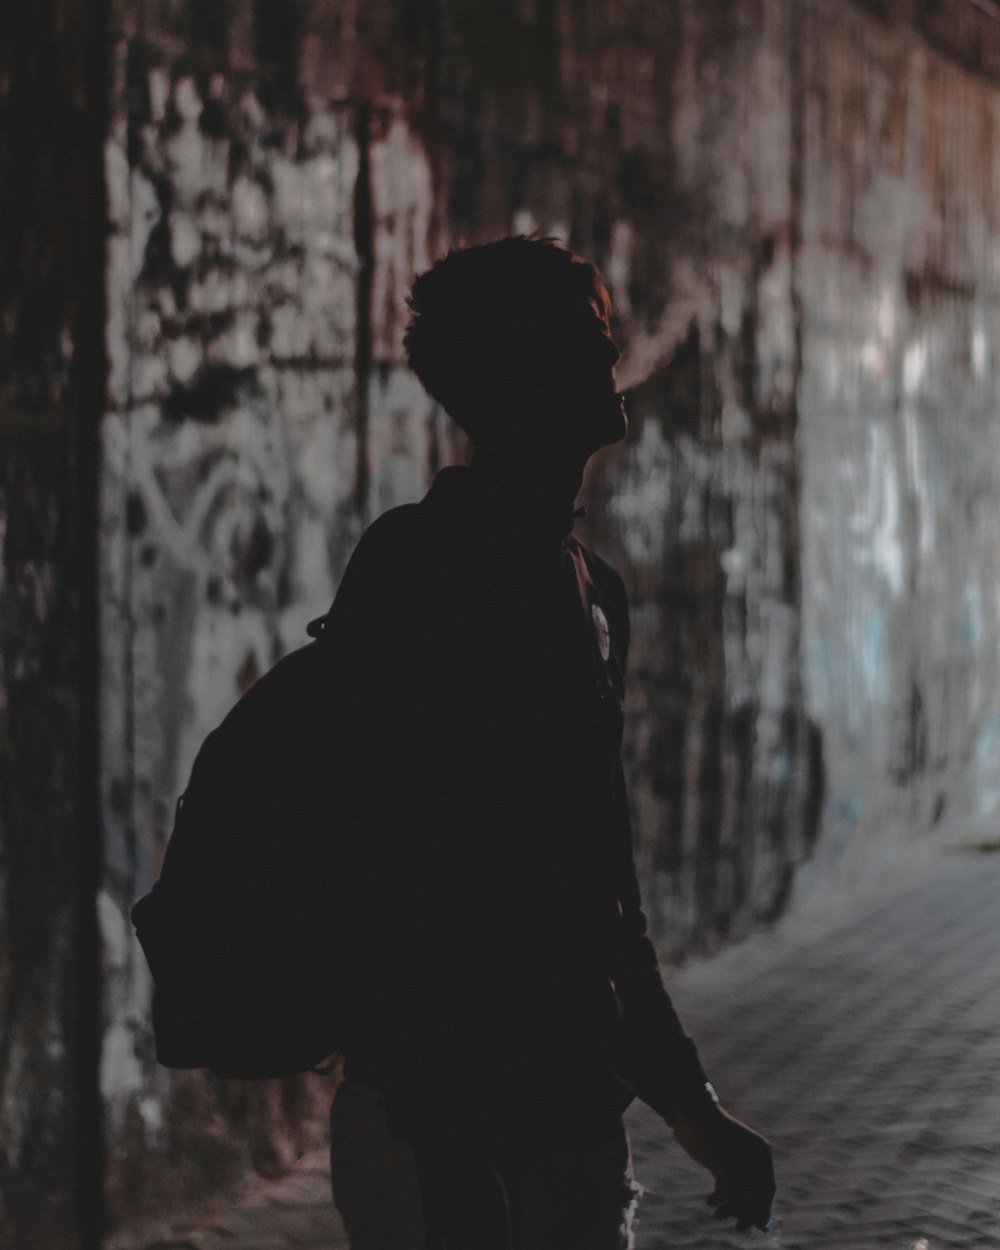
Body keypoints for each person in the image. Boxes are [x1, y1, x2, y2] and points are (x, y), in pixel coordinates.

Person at [324, 235, 775, 1249]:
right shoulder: (417, 571)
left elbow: (602, 895)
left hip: (565, 1115)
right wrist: (448, 1147)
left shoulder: (591, 592)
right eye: (580, 336)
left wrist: (691, 1110)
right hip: (441, 1123)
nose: (607, 352)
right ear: (511, 374)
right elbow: (383, 860)